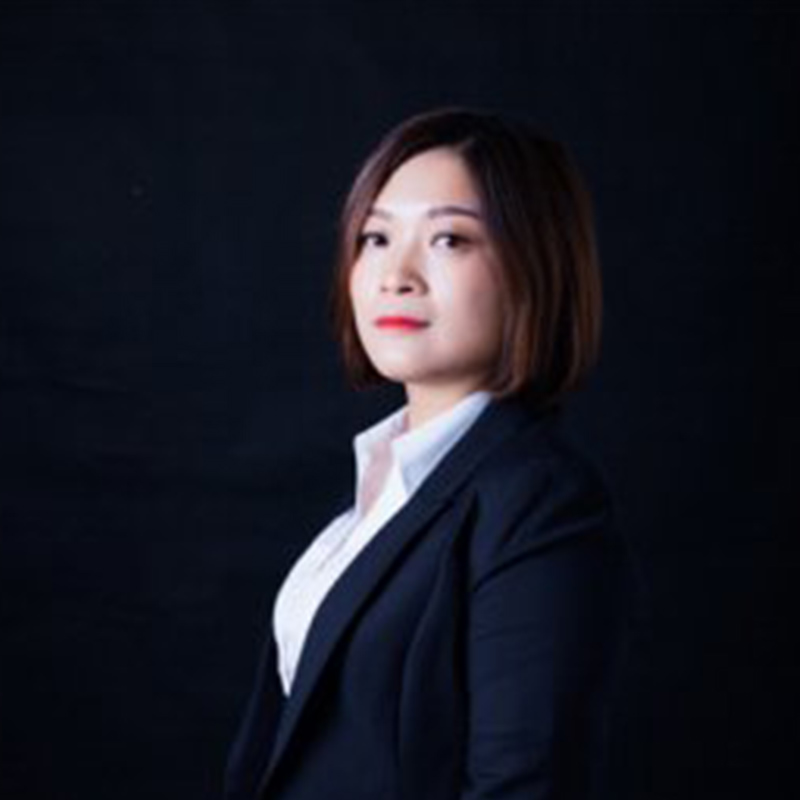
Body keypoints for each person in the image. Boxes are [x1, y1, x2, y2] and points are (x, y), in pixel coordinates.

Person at [225, 107, 630, 800]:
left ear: (535, 267)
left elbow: (523, 786)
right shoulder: (386, 478)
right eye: (376, 237)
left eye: (449, 239)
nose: (396, 274)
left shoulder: (540, 502)